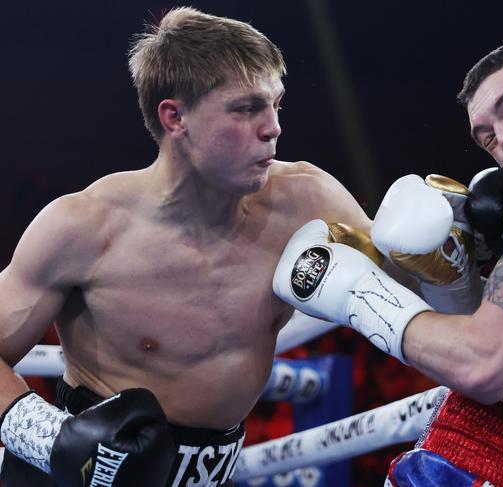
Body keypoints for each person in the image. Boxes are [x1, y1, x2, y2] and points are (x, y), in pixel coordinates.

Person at [0, 7, 375, 487]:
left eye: (275, 105)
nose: (273, 127)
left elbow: (407, 289)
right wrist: (51, 438)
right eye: (246, 109)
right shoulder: (85, 228)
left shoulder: (307, 200)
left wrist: (449, 245)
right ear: (175, 117)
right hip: (82, 474)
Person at [273, 43, 503, 485]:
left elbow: (485, 367)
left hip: (483, 461)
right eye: (487, 138)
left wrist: (354, 294)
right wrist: (454, 282)